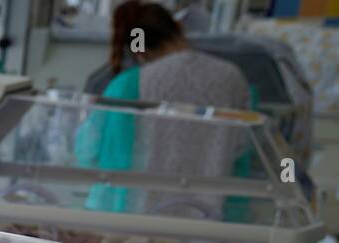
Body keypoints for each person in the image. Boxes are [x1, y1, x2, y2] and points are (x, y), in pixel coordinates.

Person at [76, 1, 250, 213]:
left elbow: (88, 152)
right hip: (208, 219)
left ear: (138, 50)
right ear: (179, 27)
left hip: (132, 219)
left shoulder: (129, 84)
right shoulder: (232, 77)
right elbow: (242, 149)